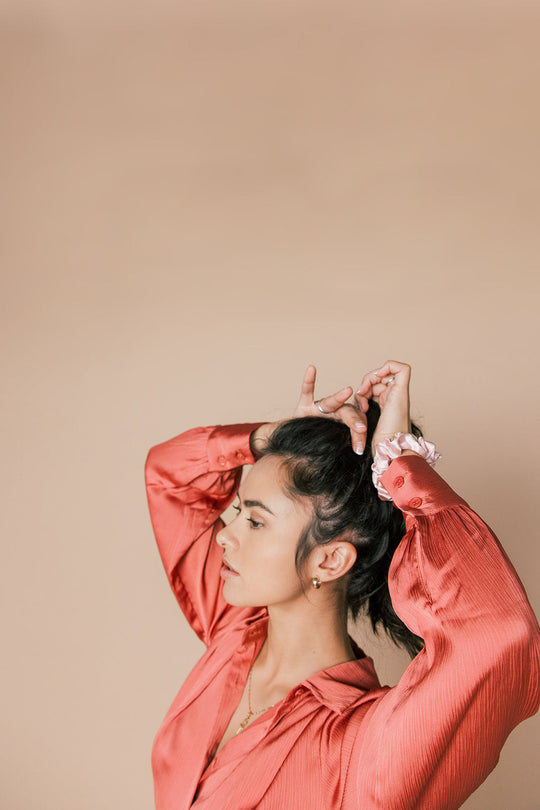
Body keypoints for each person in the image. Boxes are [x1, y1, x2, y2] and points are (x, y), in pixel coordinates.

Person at [144, 360, 540, 810]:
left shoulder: (365, 745)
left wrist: (398, 462)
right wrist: (271, 438)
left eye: (255, 520)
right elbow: (169, 476)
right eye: (237, 511)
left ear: (331, 559)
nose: (224, 534)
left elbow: (501, 635)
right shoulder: (234, 635)